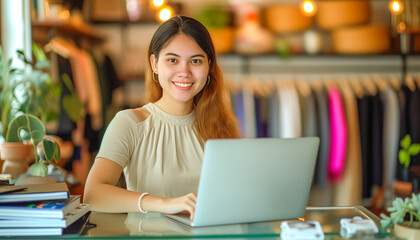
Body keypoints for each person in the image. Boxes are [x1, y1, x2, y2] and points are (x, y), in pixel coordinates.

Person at [83, 15, 240, 220]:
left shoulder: (224, 126)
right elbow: (93, 194)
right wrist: (166, 203)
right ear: (154, 63)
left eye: (196, 61)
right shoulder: (130, 123)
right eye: (173, 60)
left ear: (209, 66)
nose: (184, 72)